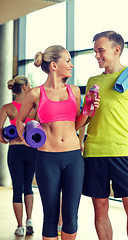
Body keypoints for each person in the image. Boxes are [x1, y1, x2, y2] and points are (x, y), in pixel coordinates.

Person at [16, 45, 100, 240]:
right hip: (47, 159)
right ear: (54, 65)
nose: (71, 65)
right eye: (68, 60)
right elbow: (20, 121)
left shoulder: (74, 91)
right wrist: (26, 140)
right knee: (50, 217)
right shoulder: (36, 94)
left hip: (73, 158)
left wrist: (89, 112)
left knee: (70, 217)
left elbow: (77, 123)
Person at [80, 31, 128, 240]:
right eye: (95, 51)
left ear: (117, 50)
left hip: (123, 151)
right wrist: (80, 142)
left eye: (100, 51)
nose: (96, 55)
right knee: (100, 207)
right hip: (94, 152)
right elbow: (86, 116)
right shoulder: (92, 81)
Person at [0, 76, 37, 236]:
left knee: (17, 188)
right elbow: (40, 129)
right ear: (24, 88)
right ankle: (29, 220)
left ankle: (20, 226)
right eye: (29, 85)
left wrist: (7, 139)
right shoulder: (34, 108)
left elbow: (0, 133)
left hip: (15, 151)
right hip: (31, 150)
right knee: (28, 186)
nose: (30, 87)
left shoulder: (8, 108)